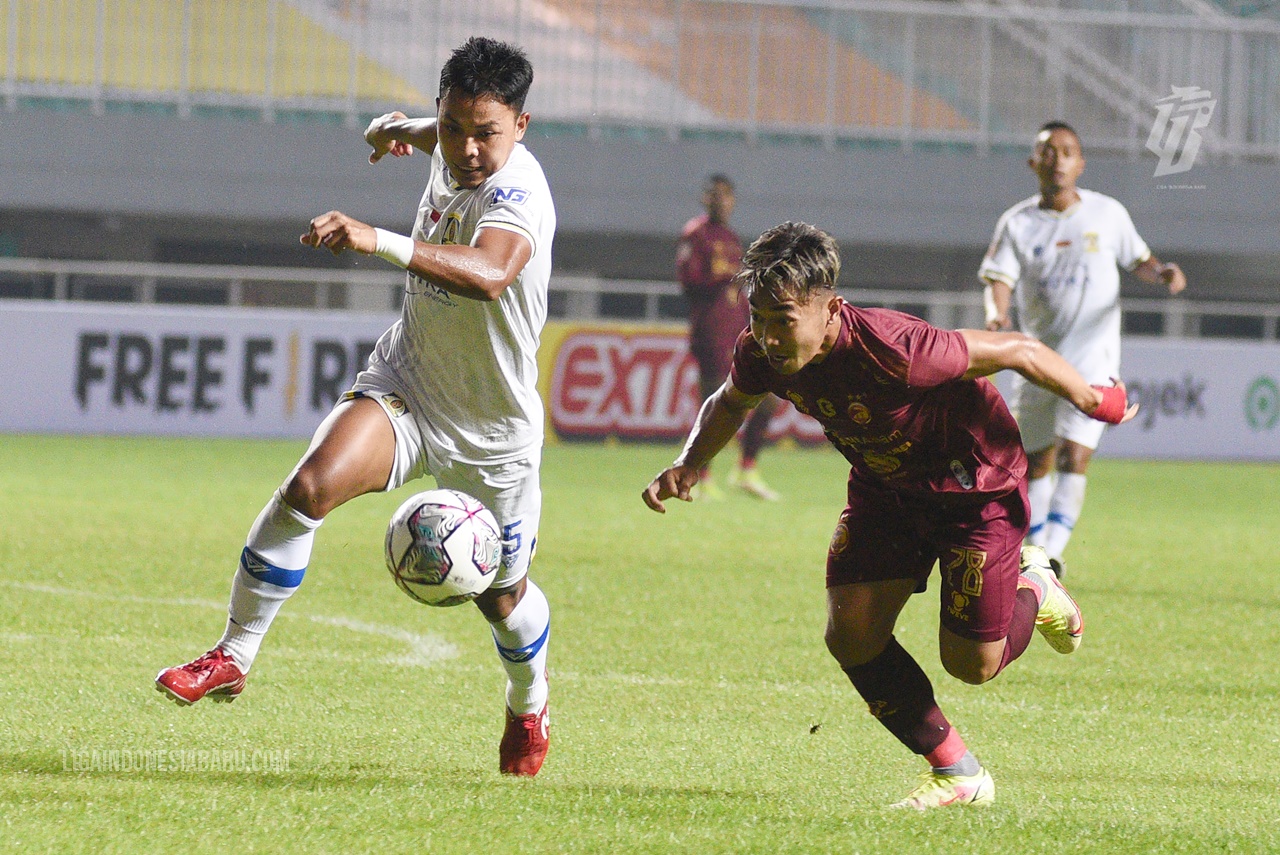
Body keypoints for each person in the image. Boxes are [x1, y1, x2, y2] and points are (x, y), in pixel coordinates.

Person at [156, 37, 556, 777]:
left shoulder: (518, 193)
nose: (469, 149)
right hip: (410, 379)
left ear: (521, 127)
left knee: (501, 601)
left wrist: (378, 240)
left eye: (488, 133)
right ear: (445, 109)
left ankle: (529, 702)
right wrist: (392, 130)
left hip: (493, 430)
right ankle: (234, 654)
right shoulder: (452, 137)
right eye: (457, 127)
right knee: (309, 485)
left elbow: (494, 273)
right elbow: (423, 135)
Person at [643, 221, 1138, 809]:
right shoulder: (762, 351)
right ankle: (959, 773)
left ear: (830, 310)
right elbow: (731, 402)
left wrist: (1090, 398)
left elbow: (1019, 351)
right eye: (758, 317)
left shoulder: (894, 347)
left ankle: (1036, 586)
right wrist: (690, 462)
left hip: (971, 486)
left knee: (972, 665)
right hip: (886, 489)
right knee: (850, 632)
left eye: (783, 319)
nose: (769, 337)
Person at [980, 120, 1186, 577]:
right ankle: (1037, 553)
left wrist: (1164, 272)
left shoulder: (1107, 214)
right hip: (1035, 360)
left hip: (1094, 360)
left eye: (1067, 150)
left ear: (1081, 163)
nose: (1058, 159)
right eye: (1048, 151)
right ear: (1034, 162)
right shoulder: (1018, 223)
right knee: (1036, 461)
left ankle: (1050, 552)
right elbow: (998, 277)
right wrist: (997, 315)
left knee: (1075, 454)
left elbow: (1140, 260)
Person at [676, 174, 780, 500]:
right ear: (706, 198)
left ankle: (746, 469)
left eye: (728, 195)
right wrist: (720, 277)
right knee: (715, 401)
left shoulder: (732, 239)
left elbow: (738, 286)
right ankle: (699, 475)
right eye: (716, 195)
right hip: (710, 331)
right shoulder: (696, 234)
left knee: (768, 398)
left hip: (738, 331)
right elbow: (688, 280)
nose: (723, 201)